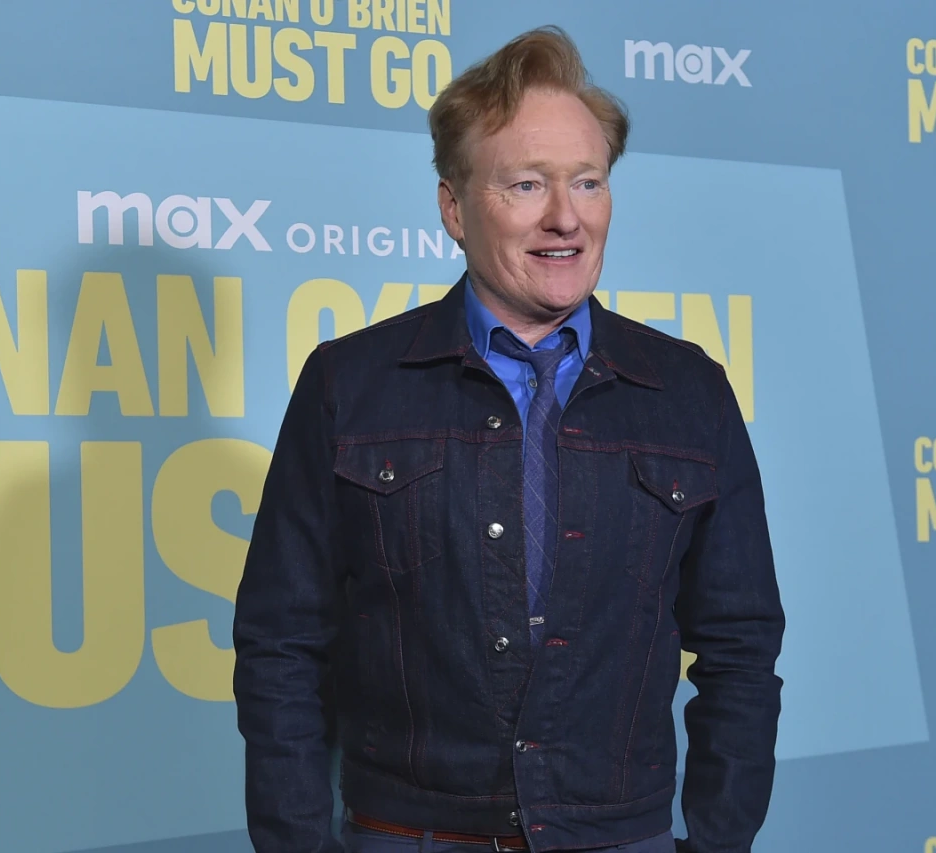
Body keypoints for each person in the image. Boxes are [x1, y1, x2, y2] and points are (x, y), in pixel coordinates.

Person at [232, 25, 785, 853]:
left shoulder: (688, 393)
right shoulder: (350, 385)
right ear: (454, 209)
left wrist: (716, 843)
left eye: (588, 182)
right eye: (527, 184)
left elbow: (741, 648)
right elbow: (281, 644)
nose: (566, 217)